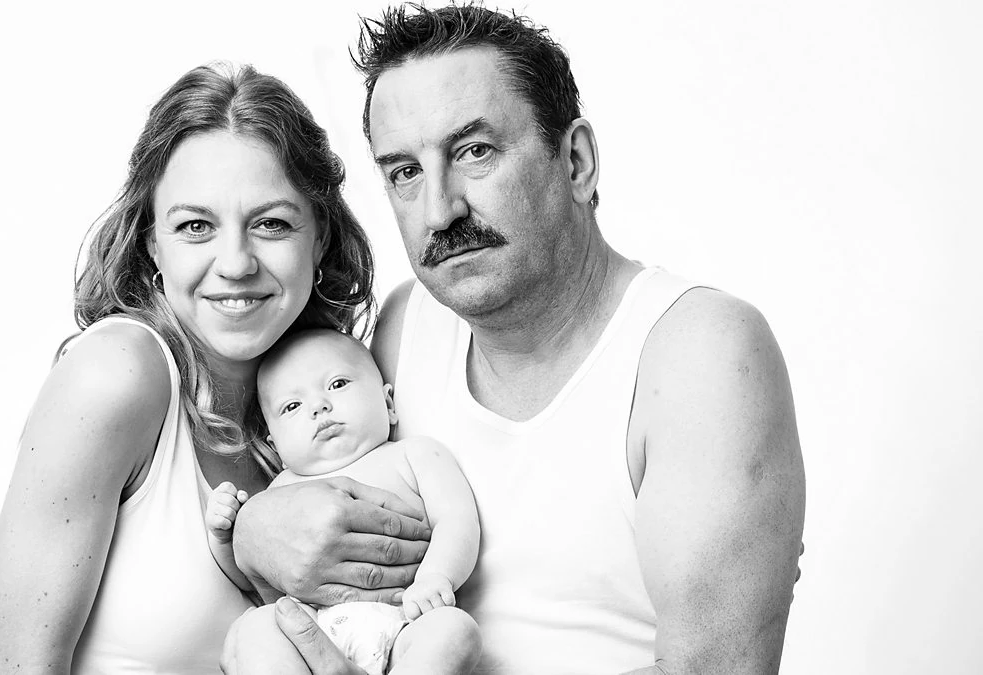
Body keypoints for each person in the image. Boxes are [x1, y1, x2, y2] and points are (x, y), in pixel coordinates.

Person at [225, 4, 807, 675]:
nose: (439, 210)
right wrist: (254, 533)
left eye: (474, 152)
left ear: (576, 161)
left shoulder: (699, 355)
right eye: (405, 171)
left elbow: (715, 670)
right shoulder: (409, 324)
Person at [0, 62, 433, 674]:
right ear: (151, 243)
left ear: (319, 236)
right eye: (195, 226)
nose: (235, 263)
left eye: (271, 224)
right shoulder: (116, 376)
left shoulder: (332, 405)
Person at [206, 328, 481, 674]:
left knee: (454, 631)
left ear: (388, 404)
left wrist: (437, 576)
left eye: (337, 384)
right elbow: (251, 577)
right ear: (275, 444)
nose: (319, 406)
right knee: (255, 628)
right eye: (292, 406)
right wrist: (223, 538)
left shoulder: (414, 455)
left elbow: (456, 518)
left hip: (405, 617)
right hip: (311, 626)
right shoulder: (278, 492)